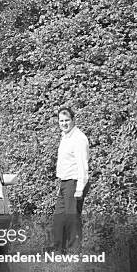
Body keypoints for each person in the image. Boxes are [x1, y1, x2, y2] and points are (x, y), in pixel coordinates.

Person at [51, 107, 90, 251]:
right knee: (59, 219)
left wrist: (79, 189)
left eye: (67, 120)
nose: (64, 123)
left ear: (73, 120)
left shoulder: (78, 138)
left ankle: (74, 253)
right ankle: (58, 251)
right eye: (61, 121)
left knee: (72, 219)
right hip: (65, 182)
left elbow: (82, 165)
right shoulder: (65, 136)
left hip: (74, 183)